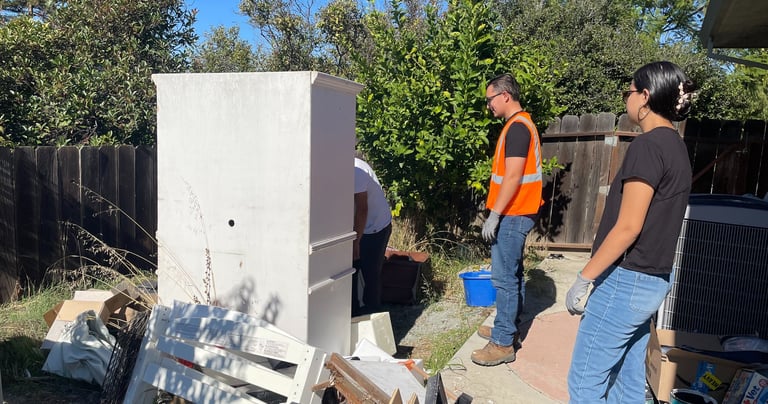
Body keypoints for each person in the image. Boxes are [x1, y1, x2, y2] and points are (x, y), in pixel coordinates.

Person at [566, 61, 695, 403]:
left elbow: (628, 227)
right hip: (653, 280)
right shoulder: (677, 147)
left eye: (630, 91)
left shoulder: (648, 146)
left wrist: (584, 278)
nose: (627, 98)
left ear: (645, 96)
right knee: (627, 381)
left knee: (584, 382)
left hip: (626, 281)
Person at [471, 73, 543, 366]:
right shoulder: (519, 125)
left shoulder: (517, 128)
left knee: (504, 279)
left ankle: (502, 343)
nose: (488, 105)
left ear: (504, 96)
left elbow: (512, 177)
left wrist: (495, 215)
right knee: (512, 275)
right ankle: (509, 327)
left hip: (514, 213)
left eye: (490, 99)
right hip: (517, 211)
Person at [352, 154, 392, 316]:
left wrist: (356, 242)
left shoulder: (356, 171)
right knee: (352, 270)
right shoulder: (342, 167)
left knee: (370, 272)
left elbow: (362, 209)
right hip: (358, 226)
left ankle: (372, 315)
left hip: (375, 226)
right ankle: (353, 314)